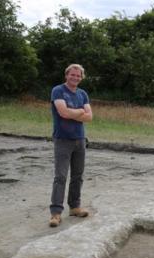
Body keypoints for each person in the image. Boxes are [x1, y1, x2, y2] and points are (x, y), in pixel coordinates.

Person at [49, 64, 93, 227]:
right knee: (60, 176)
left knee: (77, 176)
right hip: (63, 139)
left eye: (78, 75)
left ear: (81, 78)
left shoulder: (83, 94)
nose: (75, 77)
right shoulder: (58, 91)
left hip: (79, 139)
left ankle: (74, 207)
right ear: (66, 75)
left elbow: (89, 117)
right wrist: (80, 112)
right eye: (72, 75)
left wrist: (75, 113)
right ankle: (55, 213)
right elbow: (63, 112)